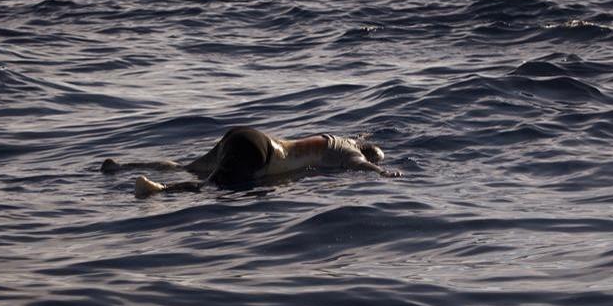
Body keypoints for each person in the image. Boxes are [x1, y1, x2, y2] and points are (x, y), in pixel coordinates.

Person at [100, 126, 401, 197]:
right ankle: (158, 191)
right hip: (261, 151)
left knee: (188, 166)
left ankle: (120, 167)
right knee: (209, 186)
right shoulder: (349, 152)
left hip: (245, 136)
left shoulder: (333, 139)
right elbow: (365, 166)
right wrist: (385, 173)